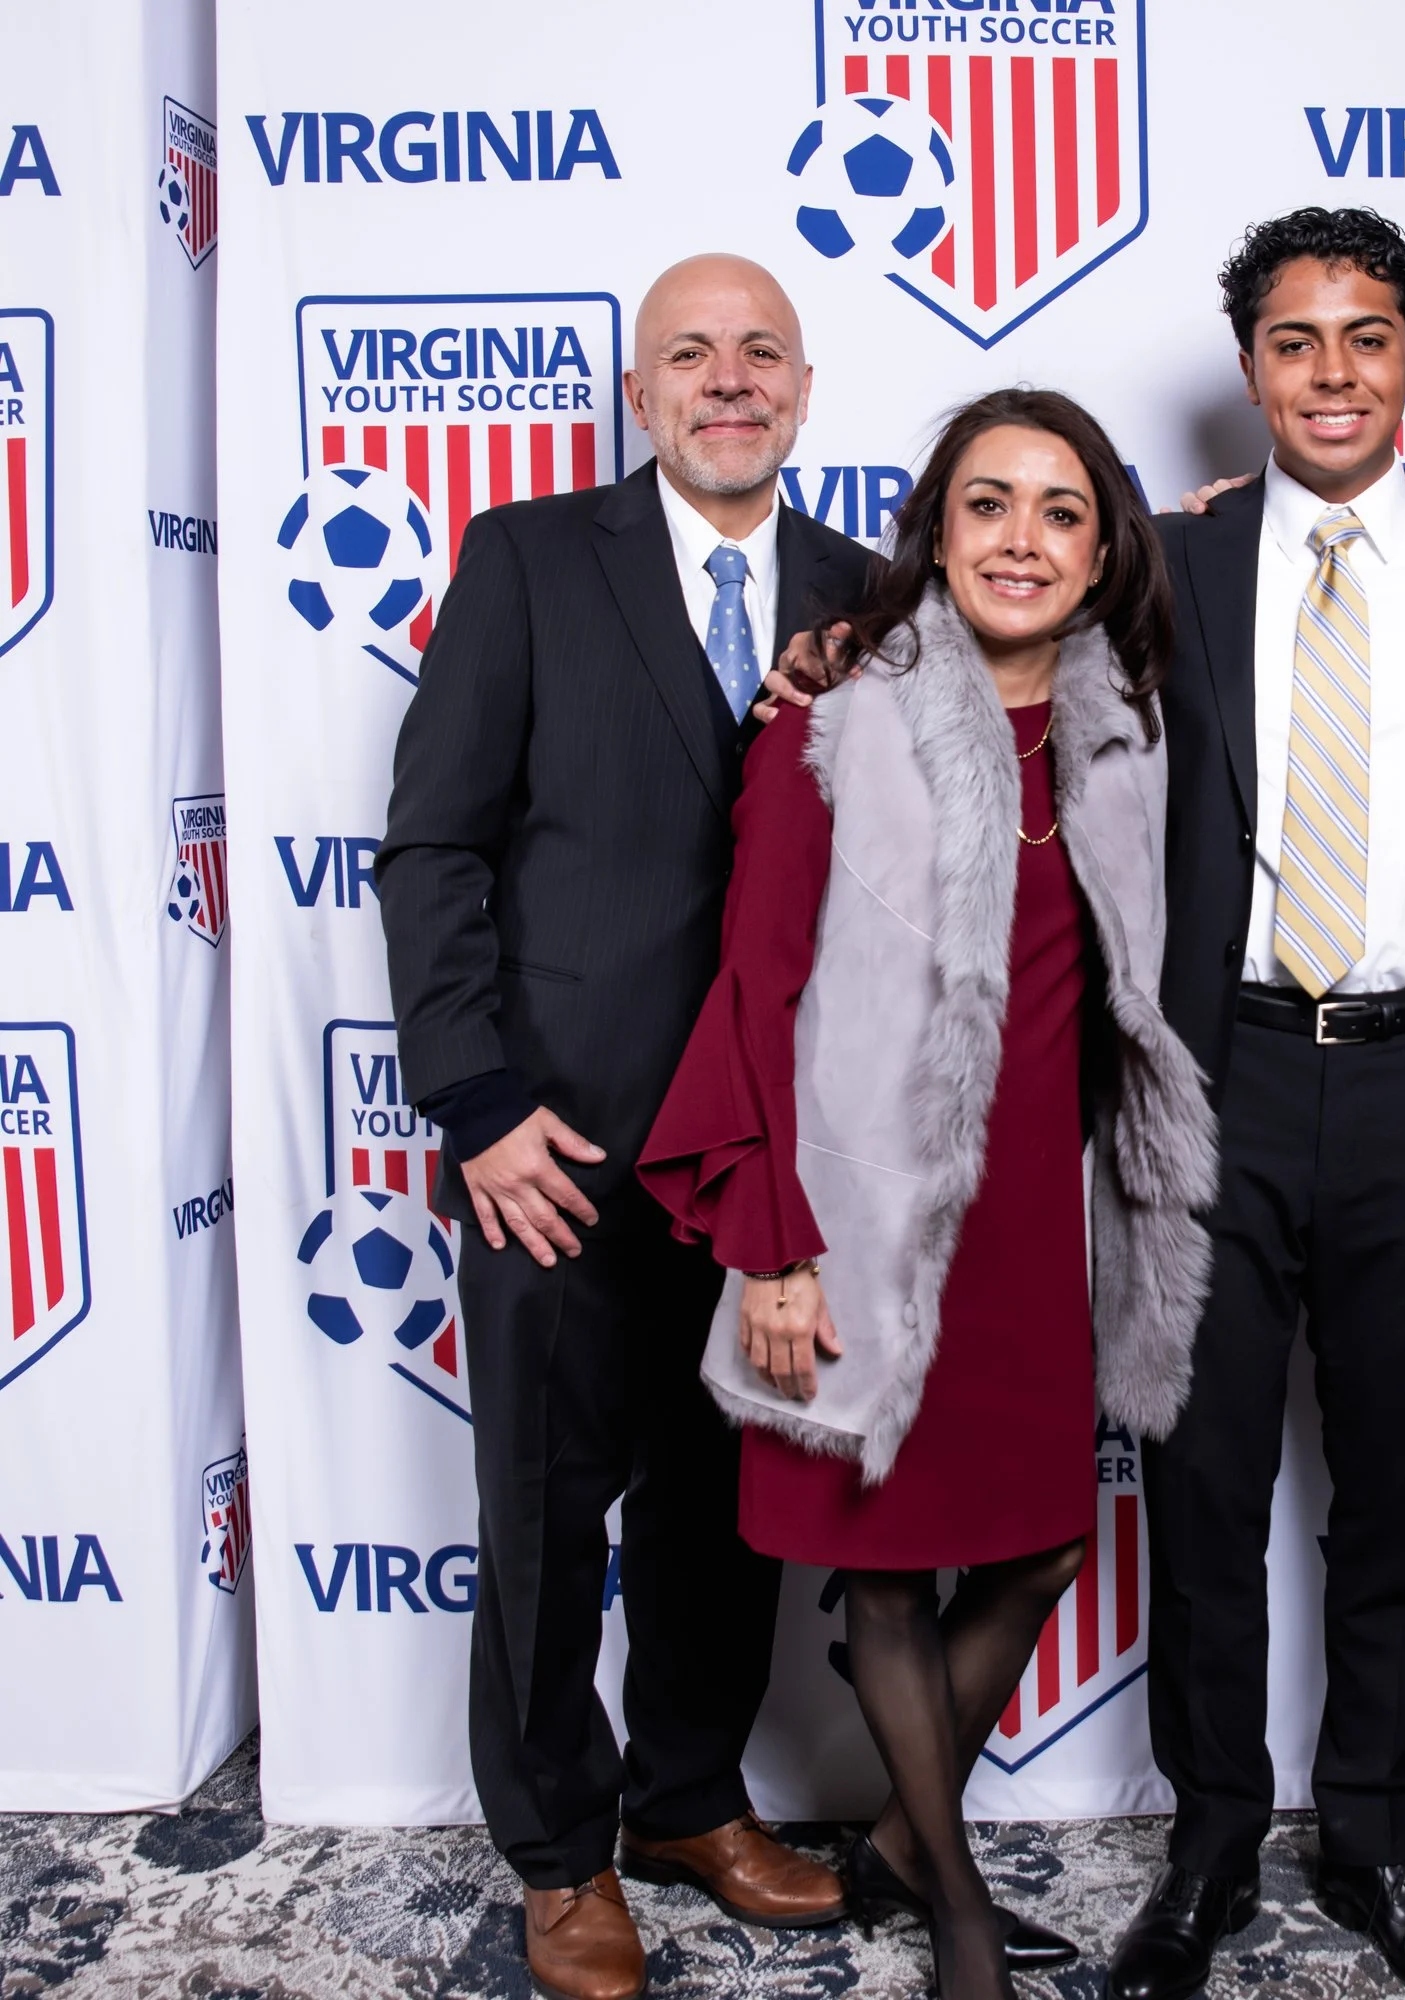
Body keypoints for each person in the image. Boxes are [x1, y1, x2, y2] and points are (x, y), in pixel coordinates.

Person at [641, 387, 1220, 2000]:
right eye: (988, 503)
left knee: (1041, 1549)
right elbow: (753, 995)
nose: (1021, 540)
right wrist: (772, 1249)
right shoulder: (836, 719)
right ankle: (955, 1906)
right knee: (887, 1570)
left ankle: (899, 1840)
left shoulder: (1124, 733)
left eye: (1061, 511)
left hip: (1039, 1222)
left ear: (1104, 551)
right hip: (864, 1217)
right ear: (937, 530)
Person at [1102, 208, 1405, 2000]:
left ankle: (1378, 1835)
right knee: (1203, 1485)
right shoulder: (1164, 562)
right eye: (1295, 340)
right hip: (1214, 1074)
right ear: (1251, 367)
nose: (1331, 372)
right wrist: (829, 654)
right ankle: (1213, 1840)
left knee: (1398, 1486)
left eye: (1365, 335)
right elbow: (985, 652)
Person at [376, 254, 870, 2000]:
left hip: (764, 1165)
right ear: (643, 394)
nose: (729, 380)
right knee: (544, 1516)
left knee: (719, 1512)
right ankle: (558, 1852)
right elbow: (433, 846)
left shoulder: (867, 593)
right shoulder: (526, 559)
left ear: (802, 389)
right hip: (560, 1158)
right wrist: (478, 1103)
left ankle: (685, 1800)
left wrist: (1175, 540)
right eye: (691, 354)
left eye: (761, 353)